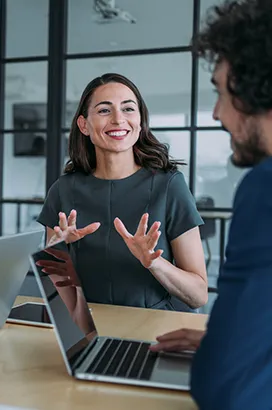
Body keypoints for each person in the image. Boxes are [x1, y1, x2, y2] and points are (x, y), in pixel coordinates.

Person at [150, 1, 272, 408]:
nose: (217, 113)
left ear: (258, 88)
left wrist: (226, 349)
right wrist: (235, 338)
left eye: (221, 90)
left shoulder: (265, 187)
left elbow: (223, 386)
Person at [37, 73, 208, 314]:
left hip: (153, 328)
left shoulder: (169, 186)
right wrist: (58, 250)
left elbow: (198, 295)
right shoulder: (63, 190)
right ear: (84, 125)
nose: (119, 120)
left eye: (128, 109)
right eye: (104, 111)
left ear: (140, 121)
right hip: (86, 328)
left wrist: (154, 262)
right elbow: (55, 289)